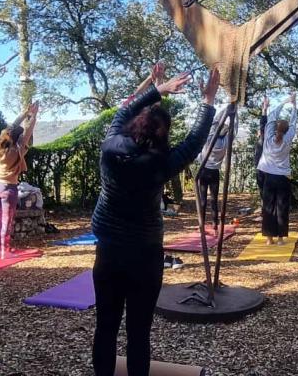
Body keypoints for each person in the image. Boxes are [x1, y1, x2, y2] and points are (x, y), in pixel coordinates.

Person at [91, 68, 220, 376]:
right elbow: (194, 142)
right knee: (138, 333)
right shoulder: (161, 164)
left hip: (108, 253)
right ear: (163, 136)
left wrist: (158, 88)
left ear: (136, 125)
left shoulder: (110, 147)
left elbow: (124, 110)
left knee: (106, 326)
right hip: (145, 256)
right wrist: (208, 100)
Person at [0, 102, 39, 259]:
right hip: (8, 189)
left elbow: (10, 128)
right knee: (6, 221)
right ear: (17, 139)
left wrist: (25, 113)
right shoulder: (17, 150)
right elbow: (28, 133)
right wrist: (34, 115)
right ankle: (5, 252)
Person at [257, 93, 297, 245]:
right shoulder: (287, 138)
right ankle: (280, 238)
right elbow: (293, 122)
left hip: (269, 177)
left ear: (275, 128)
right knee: (282, 207)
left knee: (268, 206)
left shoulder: (267, 136)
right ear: (286, 131)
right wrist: (294, 105)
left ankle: (269, 239)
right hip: (283, 178)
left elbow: (272, 115)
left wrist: (284, 101)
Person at [196, 105, 238, 231]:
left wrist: (226, 109)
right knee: (214, 200)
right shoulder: (225, 143)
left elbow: (214, 122)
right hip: (214, 173)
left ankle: (202, 225)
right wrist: (235, 115)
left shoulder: (209, 139)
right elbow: (234, 130)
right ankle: (215, 224)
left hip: (203, 171)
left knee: (202, 199)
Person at [254, 96, 269, 198]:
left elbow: (263, 124)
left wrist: (264, 110)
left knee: (263, 190)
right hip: (263, 168)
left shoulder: (264, 141)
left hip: (263, 169)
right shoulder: (262, 142)